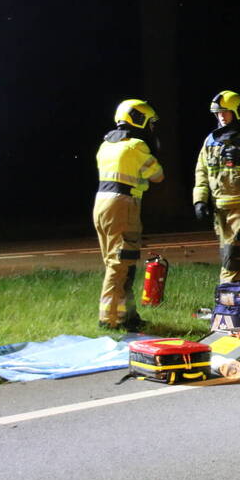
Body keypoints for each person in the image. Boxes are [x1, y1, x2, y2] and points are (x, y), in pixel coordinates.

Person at [93, 99, 164, 330]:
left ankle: (127, 315)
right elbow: (157, 175)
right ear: (139, 118)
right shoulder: (135, 146)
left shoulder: (105, 145)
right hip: (123, 205)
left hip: (101, 204)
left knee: (115, 262)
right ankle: (110, 319)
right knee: (121, 263)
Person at [193, 90, 240, 283]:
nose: (221, 116)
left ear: (237, 112)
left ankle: (227, 303)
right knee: (234, 259)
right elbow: (202, 172)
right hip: (219, 211)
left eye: (225, 112)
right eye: (218, 113)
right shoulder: (210, 140)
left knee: (232, 260)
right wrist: (200, 201)